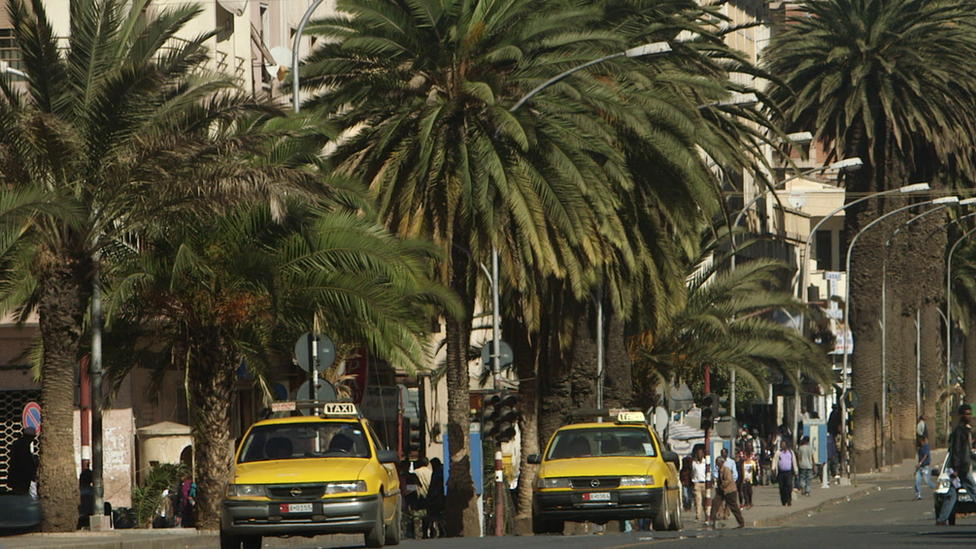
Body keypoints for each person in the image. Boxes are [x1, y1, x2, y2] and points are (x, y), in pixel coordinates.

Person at [937, 404, 976, 525]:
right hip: (962, 468)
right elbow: (957, 451)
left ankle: (942, 519)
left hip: (962, 466)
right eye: (966, 414)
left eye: (970, 414)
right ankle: (942, 519)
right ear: (961, 415)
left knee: (951, 494)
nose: (968, 416)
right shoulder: (960, 431)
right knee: (973, 491)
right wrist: (956, 468)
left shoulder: (966, 430)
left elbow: (967, 451)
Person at [706, 456, 745, 529]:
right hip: (722, 491)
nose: (717, 464)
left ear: (721, 462)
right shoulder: (720, 470)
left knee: (734, 507)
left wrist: (722, 485)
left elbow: (728, 480)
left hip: (729, 491)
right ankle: (712, 520)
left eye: (718, 462)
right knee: (715, 503)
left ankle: (741, 522)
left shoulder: (726, 470)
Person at [7, 427, 38, 497]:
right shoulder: (23, 446)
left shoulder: (18, 444)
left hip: (16, 477)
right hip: (21, 478)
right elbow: (25, 462)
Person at [425, 458, 445, 538]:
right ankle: (439, 531)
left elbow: (436, 485)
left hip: (437, 496)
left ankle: (440, 531)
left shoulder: (438, 472)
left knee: (436, 514)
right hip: (437, 496)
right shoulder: (439, 471)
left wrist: (432, 494)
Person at [773, 439, 797, 506]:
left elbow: (794, 462)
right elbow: (775, 460)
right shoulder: (778, 452)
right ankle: (783, 501)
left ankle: (789, 500)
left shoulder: (790, 452)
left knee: (789, 486)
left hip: (788, 472)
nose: (783, 445)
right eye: (782, 444)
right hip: (781, 473)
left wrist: (796, 471)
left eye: (784, 444)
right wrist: (773, 468)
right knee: (782, 487)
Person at [915, 435, 936, 500]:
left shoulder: (926, 446)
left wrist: (920, 463)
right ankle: (919, 494)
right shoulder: (920, 448)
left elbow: (925, 455)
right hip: (920, 467)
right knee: (917, 481)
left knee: (927, 481)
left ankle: (936, 488)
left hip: (926, 466)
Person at [690, 445, 707, 522]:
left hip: (705, 483)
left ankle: (707, 515)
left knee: (705, 500)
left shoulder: (706, 463)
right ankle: (698, 516)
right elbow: (692, 472)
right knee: (698, 500)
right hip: (697, 483)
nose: (699, 455)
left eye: (701, 454)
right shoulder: (694, 463)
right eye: (698, 454)